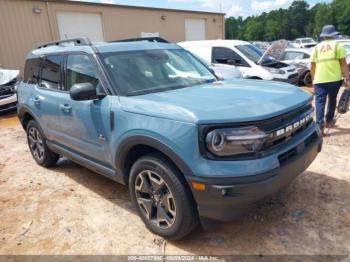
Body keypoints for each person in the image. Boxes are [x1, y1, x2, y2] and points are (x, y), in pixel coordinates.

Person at [310, 25, 350, 135]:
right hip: (334, 79)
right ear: (333, 35)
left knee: (319, 102)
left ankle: (319, 125)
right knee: (332, 99)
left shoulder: (316, 48)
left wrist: (313, 80)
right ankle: (329, 120)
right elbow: (343, 64)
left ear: (323, 36)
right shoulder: (338, 45)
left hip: (319, 80)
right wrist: (347, 78)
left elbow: (312, 66)